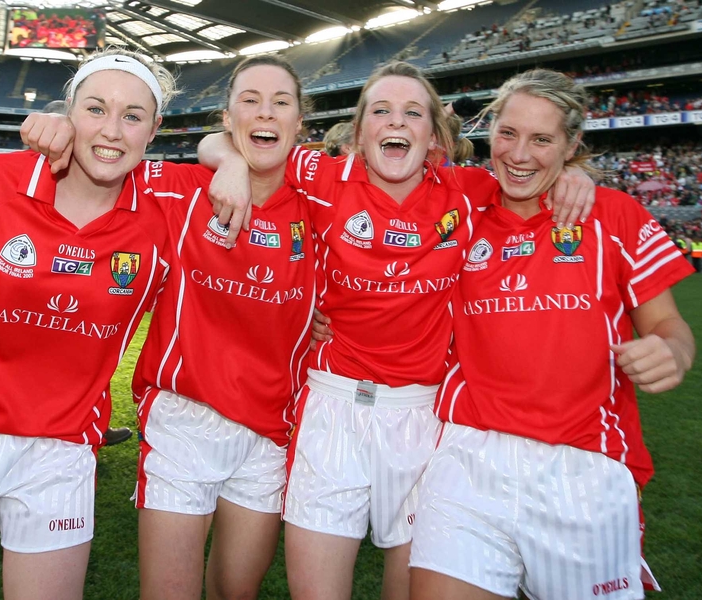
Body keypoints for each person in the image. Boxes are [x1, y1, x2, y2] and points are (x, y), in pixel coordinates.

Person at [200, 61, 595, 600]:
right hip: (332, 410)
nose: (396, 121)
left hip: (422, 421)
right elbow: (230, 142)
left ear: (433, 136)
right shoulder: (321, 176)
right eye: (381, 111)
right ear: (359, 132)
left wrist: (576, 174)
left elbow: (534, 170)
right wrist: (228, 162)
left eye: (413, 112)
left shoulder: (469, 191)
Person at [21, 55, 317, 600]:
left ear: (299, 121)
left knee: (236, 593)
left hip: (271, 429)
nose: (264, 112)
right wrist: (57, 125)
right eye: (249, 100)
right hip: (184, 421)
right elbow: (103, 157)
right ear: (227, 118)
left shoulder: (320, 206)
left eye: (280, 102)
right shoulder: (181, 190)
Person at [407, 69, 695, 600]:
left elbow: (668, 324)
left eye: (542, 139)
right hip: (469, 455)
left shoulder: (614, 215)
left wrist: (672, 351)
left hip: (583, 465)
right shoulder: (460, 209)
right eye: (508, 133)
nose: (518, 154)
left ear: (572, 144)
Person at [0, 47, 178, 600]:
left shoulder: (166, 218)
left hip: (61, 447)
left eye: (132, 116)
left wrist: (229, 162)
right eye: (95, 109)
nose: (112, 130)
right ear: (67, 113)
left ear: (153, 131)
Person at [41, 98, 132, 448]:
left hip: (72, 413)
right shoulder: (13, 184)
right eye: (94, 111)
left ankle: (96, 422)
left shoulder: (136, 198)